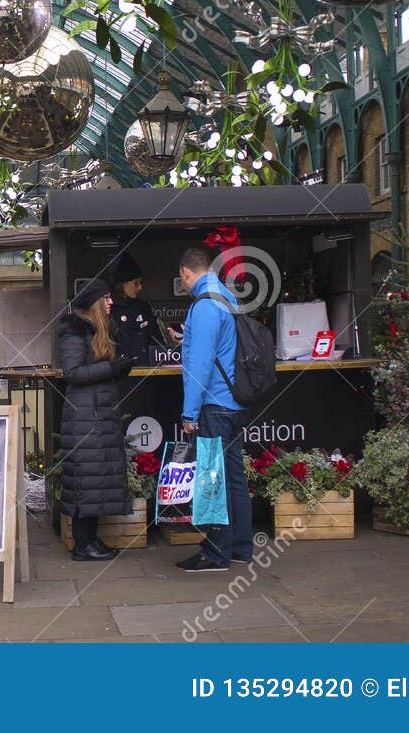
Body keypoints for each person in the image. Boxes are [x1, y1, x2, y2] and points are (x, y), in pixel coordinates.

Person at [175, 245, 252, 572]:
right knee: (234, 477)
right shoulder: (227, 298)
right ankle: (239, 547)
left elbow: (200, 364)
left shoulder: (204, 306)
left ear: (186, 273)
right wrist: (188, 339)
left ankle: (215, 553)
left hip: (214, 406)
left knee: (212, 479)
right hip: (234, 404)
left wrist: (189, 413)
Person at [55, 276, 134, 561]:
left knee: (95, 481)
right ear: (95, 303)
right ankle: (82, 544)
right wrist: (112, 368)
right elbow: (72, 373)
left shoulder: (98, 331)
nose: (112, 302)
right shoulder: (74, 333)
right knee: (85, 481)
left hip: (96, 416)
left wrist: (119, 367)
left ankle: (91, 541)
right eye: (107, 298)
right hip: (84, 417)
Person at [109, 252, 169, 367]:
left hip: (147, 370)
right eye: (136, 283)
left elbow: (157, 341)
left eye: (141, 283)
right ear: (123, 284)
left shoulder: (143, 307)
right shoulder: (110, 309)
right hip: (121, 373)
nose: (140, 287)